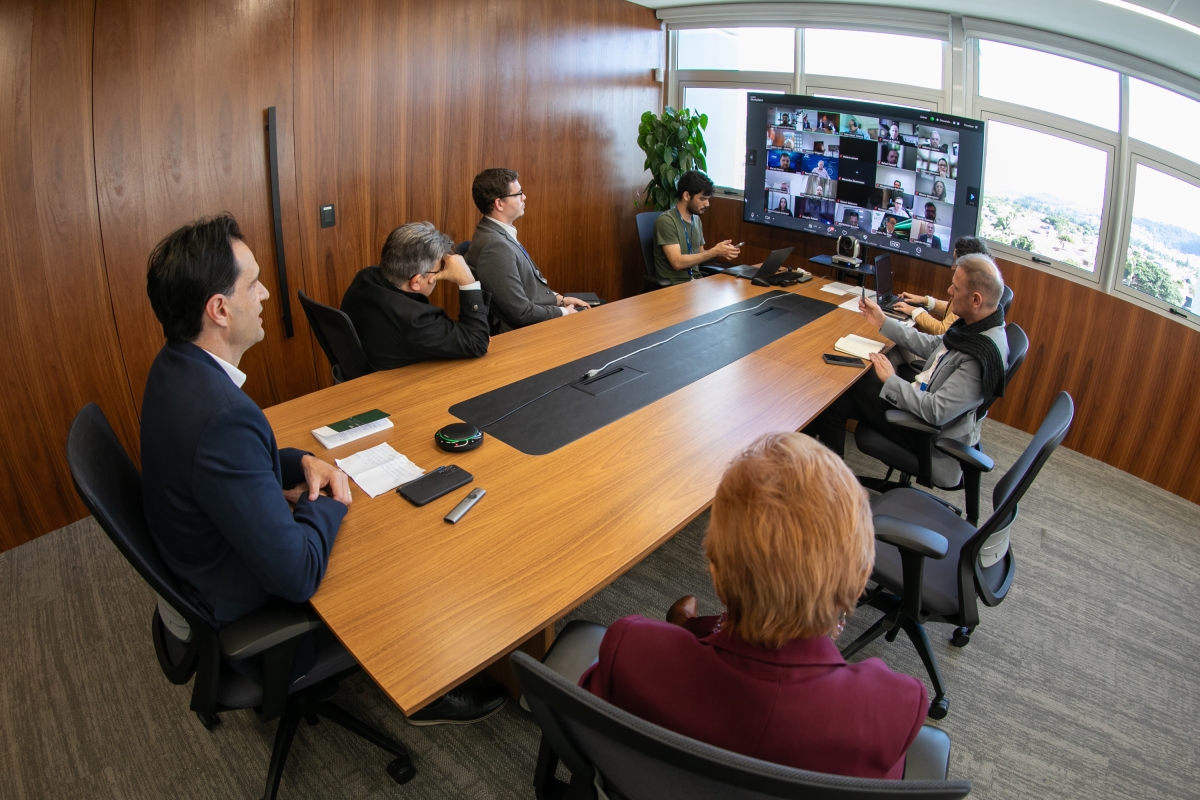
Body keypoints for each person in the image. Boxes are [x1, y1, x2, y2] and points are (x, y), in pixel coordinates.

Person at [141, 214, 507, 723]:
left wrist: (304, 462)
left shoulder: (176, 369)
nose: (267, 294)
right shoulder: (222, 417)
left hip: (200, 561)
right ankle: (426, 684)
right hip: (245, 604)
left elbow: (237, 459)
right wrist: (328, 498)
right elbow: (297, 576)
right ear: (220, 309)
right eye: (254, 284)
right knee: (404, 540)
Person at [573, 432, 927, 779]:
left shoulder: (634, 652)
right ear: (863, 576)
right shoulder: (893, 709)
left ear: (715, 572)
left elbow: (590, 732)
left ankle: (691, 625)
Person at [803, 253, 1009, 485]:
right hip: (920, 400)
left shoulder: (980, 354)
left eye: (956, 288)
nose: (949, 291)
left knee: (854, 379)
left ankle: (828, 483)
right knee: (838, 404)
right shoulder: (976, 327)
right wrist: (883, 321)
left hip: (926, 435)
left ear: (976, 300)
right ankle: (831, 485)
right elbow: (934, 346)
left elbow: (935, 411)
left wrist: (891, 379)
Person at [341, 222, 489, 371]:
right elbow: (477, 342)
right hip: (400, 385)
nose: (442, 272)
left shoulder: (365, 277)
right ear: (416, 282)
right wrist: (467, 281)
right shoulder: (414, 321)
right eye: (439, 269)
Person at [466, 168, 589, 333]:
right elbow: (521, 313)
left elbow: (527, 287)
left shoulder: (499, 233)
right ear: (499, 203)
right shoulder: (494, 246)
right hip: (520, 336)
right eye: (518, 193)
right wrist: (565, 312)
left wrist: (560, 300)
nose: (524, 197)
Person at [653, 170, 741, 285]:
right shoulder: (666, 221)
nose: (707, 204)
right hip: (675, 286)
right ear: (686, 195)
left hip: (696, 284)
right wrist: (714, 252)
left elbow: (701, 254)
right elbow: (677, 263)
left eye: (708, 199)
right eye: (702, 199)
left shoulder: (696, 220)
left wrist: (721, 251)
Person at [895, 237, 992, 334]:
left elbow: (943, 331)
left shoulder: (971, 290)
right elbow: (953, 312)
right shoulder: (980, 283)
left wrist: (915, 311)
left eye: (955, 261)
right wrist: (926, 301)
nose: (952, 266)